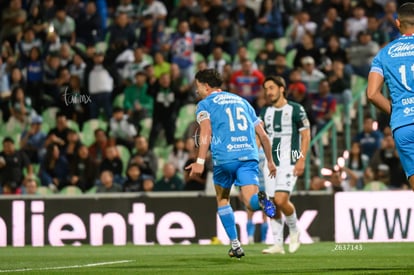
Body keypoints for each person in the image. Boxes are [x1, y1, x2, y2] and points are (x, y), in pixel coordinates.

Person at [185, 69, 277, 259]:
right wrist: (270, 161)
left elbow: (206, 132)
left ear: (206, 86)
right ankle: (261, 200)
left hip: (224, 159)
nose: (197, 91)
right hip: (249, 156)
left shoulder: (204, 104)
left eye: (198, 87)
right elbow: (264, 136)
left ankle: (236, 245)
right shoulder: (243, 101)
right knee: (250, 203)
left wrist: (199, 161)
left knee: (223, 199)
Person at [260, 76, 311, 254]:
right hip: (271, 164)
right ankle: (278, 245)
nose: (268, 92)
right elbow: (261, 138)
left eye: (272, 87)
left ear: (282, 88)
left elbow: (305, 136)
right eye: (266, 89)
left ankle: (295, 231)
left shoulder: (296, 109)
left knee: (281, 200)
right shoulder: (264, 112)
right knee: (271, 205)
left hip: (290, 161)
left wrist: (301, 159)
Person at [366, 2, 414, 192]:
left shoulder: (383, 54)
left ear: (397, 23)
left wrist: (397, 112)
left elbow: (372, 94)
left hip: (402, 126)